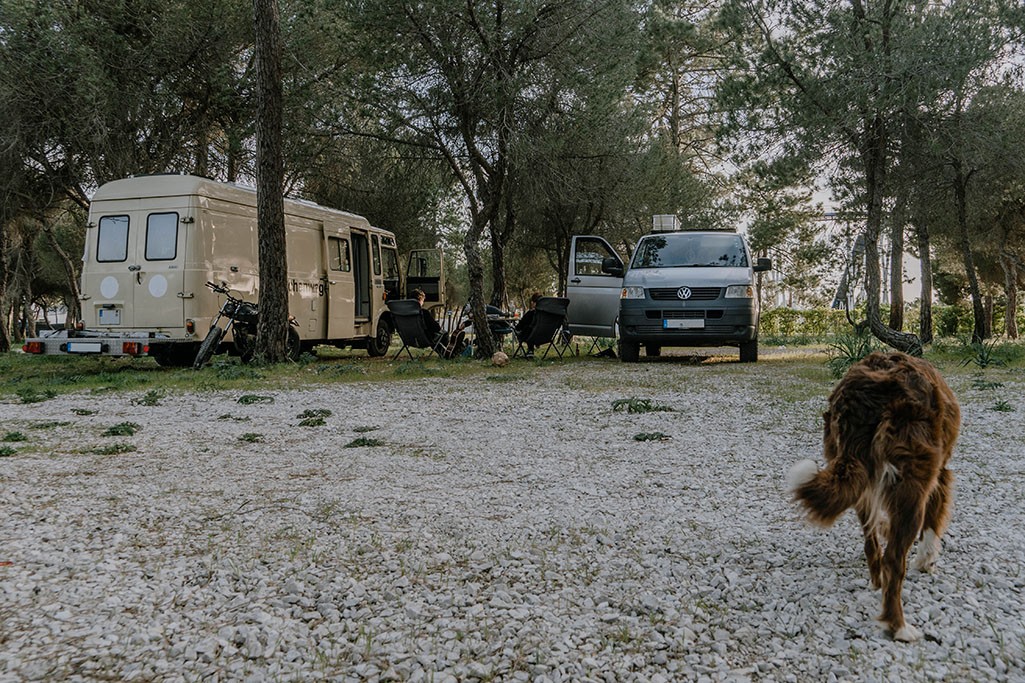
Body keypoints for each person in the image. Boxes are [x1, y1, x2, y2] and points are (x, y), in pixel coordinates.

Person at [413, 289, 465, 358]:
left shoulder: (403, 314)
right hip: (425, 339)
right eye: (423, 300)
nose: (423, 302)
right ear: (419, 300)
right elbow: (436, 328)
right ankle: (457, 347)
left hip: (411, 339)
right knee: (442, 335)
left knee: (434, 338)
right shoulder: (423, 313)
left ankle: (451, 351)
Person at [515, 292, 543, 357]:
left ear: (533, 302)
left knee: (528, 328)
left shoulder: (531, 313)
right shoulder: (547, 315)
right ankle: (530, 350)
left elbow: (519, 326)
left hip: (529, 336)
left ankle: (530, 350)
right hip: (544, 337)